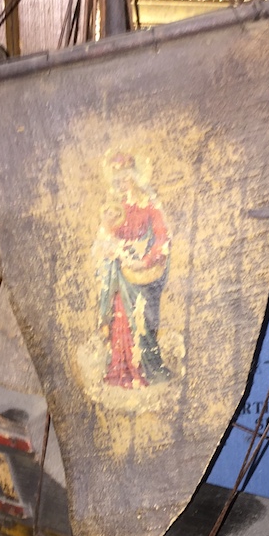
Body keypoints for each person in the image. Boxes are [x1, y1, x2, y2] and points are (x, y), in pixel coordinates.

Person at [95, 152, 171, 388]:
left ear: (135, 177)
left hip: (142, 274)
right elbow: (104, 237)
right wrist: (112, 246)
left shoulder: (149, 205)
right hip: (122, 273)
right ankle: (123, 370)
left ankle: (148, 368)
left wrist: (146, 261)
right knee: (122, 319)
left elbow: (163, 239)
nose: (121, 184)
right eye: (117, 180)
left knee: (143, 321)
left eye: (125, 178)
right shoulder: (114, 207)